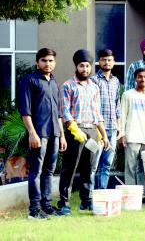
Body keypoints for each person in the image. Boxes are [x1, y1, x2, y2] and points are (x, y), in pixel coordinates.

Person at [58, 49, 109, 215]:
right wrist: (73, 129)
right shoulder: (67, 86)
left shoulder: (94, 87)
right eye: (82, 66)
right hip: (75, 132)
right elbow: (64, 111)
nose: (85, 69)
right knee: (70, 168)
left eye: (87, 66)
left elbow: (97, 113)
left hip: (92, 132)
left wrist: (103, 135)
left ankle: (86, 201)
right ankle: (64, 203)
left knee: (88, 169)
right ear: (76, 66)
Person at [19, 48, 67, 219]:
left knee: (49, 171)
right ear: (37, 62)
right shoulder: (29, 80)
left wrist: (62, 135)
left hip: (54, 133)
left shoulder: (54, 82)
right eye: (44, 60)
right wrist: (32, 133)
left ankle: (47, 206)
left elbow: (59, 113)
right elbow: (25, 111)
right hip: (39, 133)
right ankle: (34, 209)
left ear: (55, 63)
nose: (48, 64)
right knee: (36, 171)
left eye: (51, 61)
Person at [120, 67, 145, 205]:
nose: (143, 79)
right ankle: (131, 195)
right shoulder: (127, 95)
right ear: (135, 78)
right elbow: (122, 115)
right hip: (132, 135)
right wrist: (122, 134)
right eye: (140, 77)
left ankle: (143, 195)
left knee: (144, 167)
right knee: (130, 166)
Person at [90, 48, 122, 190]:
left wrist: (119, 127)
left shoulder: (115, 81)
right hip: (96, 129)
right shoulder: (93, 81)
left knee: (107, 164)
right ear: (99, 62)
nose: (106, 62)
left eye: (109, 60)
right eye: (103, 59)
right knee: (93, 164)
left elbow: (118, 106)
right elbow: (91, 106)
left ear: (114, 62)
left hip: (112, 129)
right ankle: (89, 195)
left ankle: (101, 192)